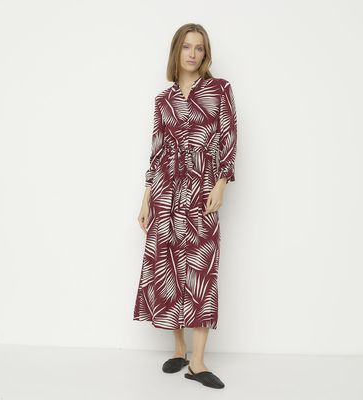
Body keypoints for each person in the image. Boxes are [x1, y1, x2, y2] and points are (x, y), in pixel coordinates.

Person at [133, 23, 237, 389]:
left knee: (201, 269)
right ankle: (179, 349)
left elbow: (229, 136)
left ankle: (198, 361)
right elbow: (157, 148)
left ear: (205, 53)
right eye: (186, 47)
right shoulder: (163, 99)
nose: (192, 54)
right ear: (176, 51)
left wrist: (221, 182)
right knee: (168, 265)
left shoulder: (219, 89)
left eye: (199, 47)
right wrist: (146, 198)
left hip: (201, 187)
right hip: (165, 190)